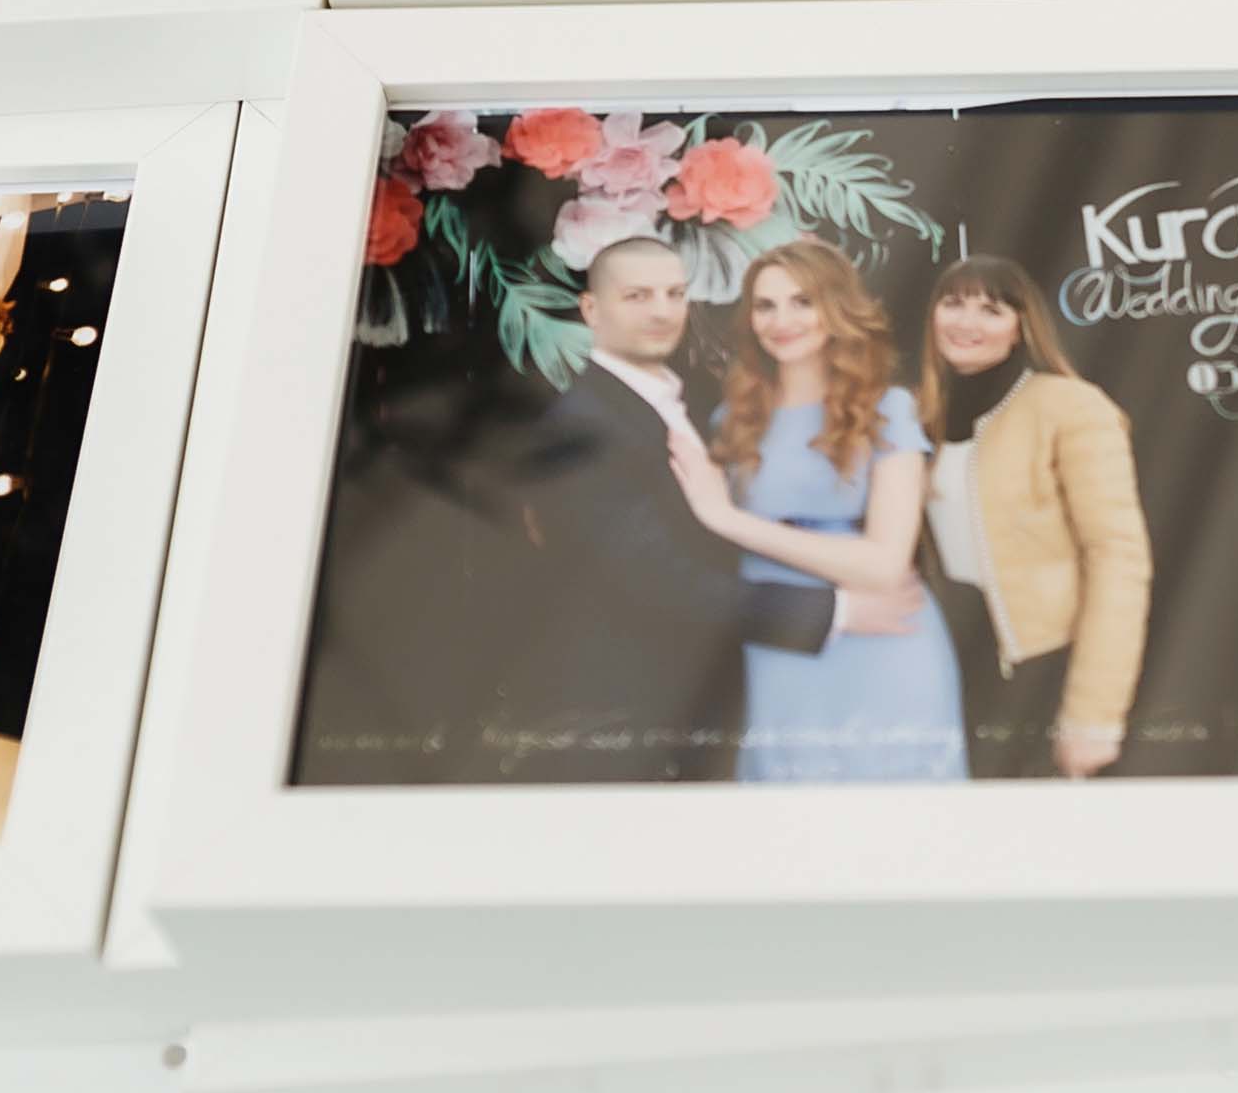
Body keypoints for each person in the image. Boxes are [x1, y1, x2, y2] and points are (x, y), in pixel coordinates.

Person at [492, 235, 921, 780]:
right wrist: (836, 612)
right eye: (638, 296)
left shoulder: (707, 407)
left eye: (674, 294)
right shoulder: (577, 427)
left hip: (763, 681)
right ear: (591, 310)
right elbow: (655, 579)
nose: (662, 311)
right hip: (640, 713)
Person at [663, 240, 968, 782]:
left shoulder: (888, 409)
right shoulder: (731, 419)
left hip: (885, 647)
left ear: (836, 306)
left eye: (802, 301)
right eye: (766, 305)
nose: (782, 321)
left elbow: (884, 566)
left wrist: (731, 520)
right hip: (782, 648)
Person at [915, 256, 1148, 780]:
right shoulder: (918, 413)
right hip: (947, 663)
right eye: (953, 304)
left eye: (991, 310)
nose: (966, 322)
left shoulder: (1070, 407)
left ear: (1021, 327)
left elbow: (1118, 557)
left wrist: (1093, 711)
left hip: (1042, 665)